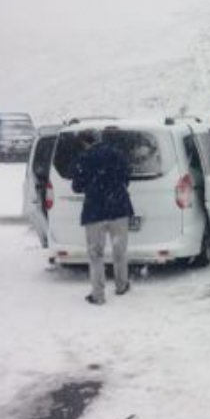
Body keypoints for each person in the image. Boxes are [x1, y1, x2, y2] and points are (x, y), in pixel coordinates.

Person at [71, 130, 134, 305]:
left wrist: (93, 186)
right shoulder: (116, 154)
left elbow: (76, 186)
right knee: (119, 251)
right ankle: (122, 285)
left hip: (95, 211)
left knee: (96, 254)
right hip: (119, 208)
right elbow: (128, 175)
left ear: (85, 143)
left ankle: (98, 295)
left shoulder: (84, 158)